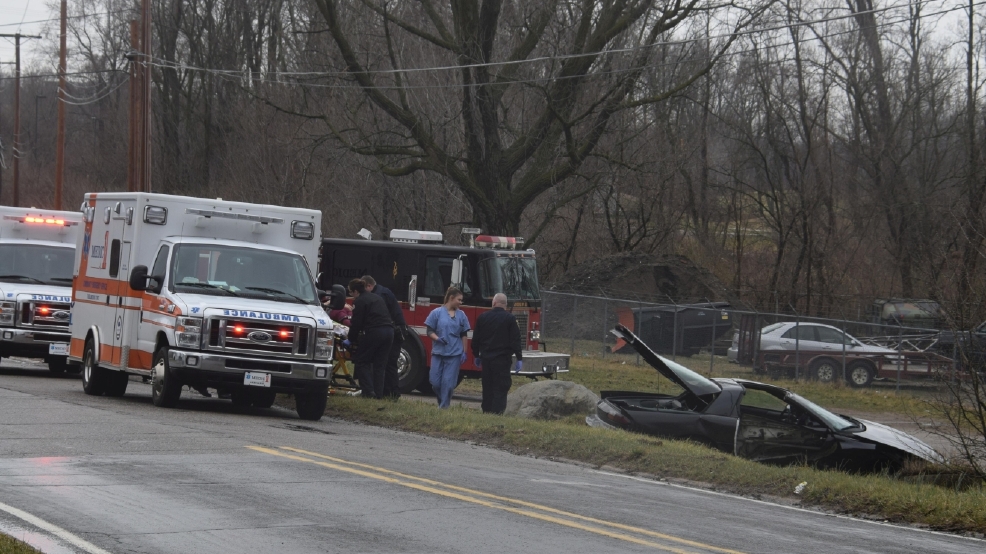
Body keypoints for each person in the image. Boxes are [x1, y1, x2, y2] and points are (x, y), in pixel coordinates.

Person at [471, 293, 524, 414]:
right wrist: (519, 358)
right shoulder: (510, 319)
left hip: (486, 359)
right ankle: (498, 412)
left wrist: (476, 355)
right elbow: (515, 340)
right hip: (502, 359)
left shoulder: (482, 317)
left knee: (487, 386)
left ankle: (487, 410)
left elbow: (476, 340)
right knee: (501, 386)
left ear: (493, 303)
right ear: (505, 305)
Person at [345, 278, 394, 399]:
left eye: (350, 292)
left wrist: (350, 339)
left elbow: (356, 323)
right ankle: (378, 394)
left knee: (362, 362)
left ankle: (368, 392)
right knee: (379, 365)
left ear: (356, 291)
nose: (351, 295)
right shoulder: (376, 297)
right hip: (389, 331)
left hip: (375, 331)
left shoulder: (360, 301)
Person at [424, 287, 470, 408]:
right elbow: (429, 331)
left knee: (448, 384)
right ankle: (442, 401)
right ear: (451, 298)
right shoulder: (436, 313)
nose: (461, 302)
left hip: (454, 353)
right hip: (438, 352)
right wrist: (437, 338)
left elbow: (464, 334)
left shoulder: (462, 315)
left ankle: (444, 407)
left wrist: (465, 351)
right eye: (459, 300)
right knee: (435, 382)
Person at [362, 275, 407, 399]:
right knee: (387, 363)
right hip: (395, 330)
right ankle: (388, 392)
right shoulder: (383, 291)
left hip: (393, 331)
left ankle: (392, 393)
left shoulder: (378, 296)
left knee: (389, 363)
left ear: (369, 286)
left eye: (363, 289)